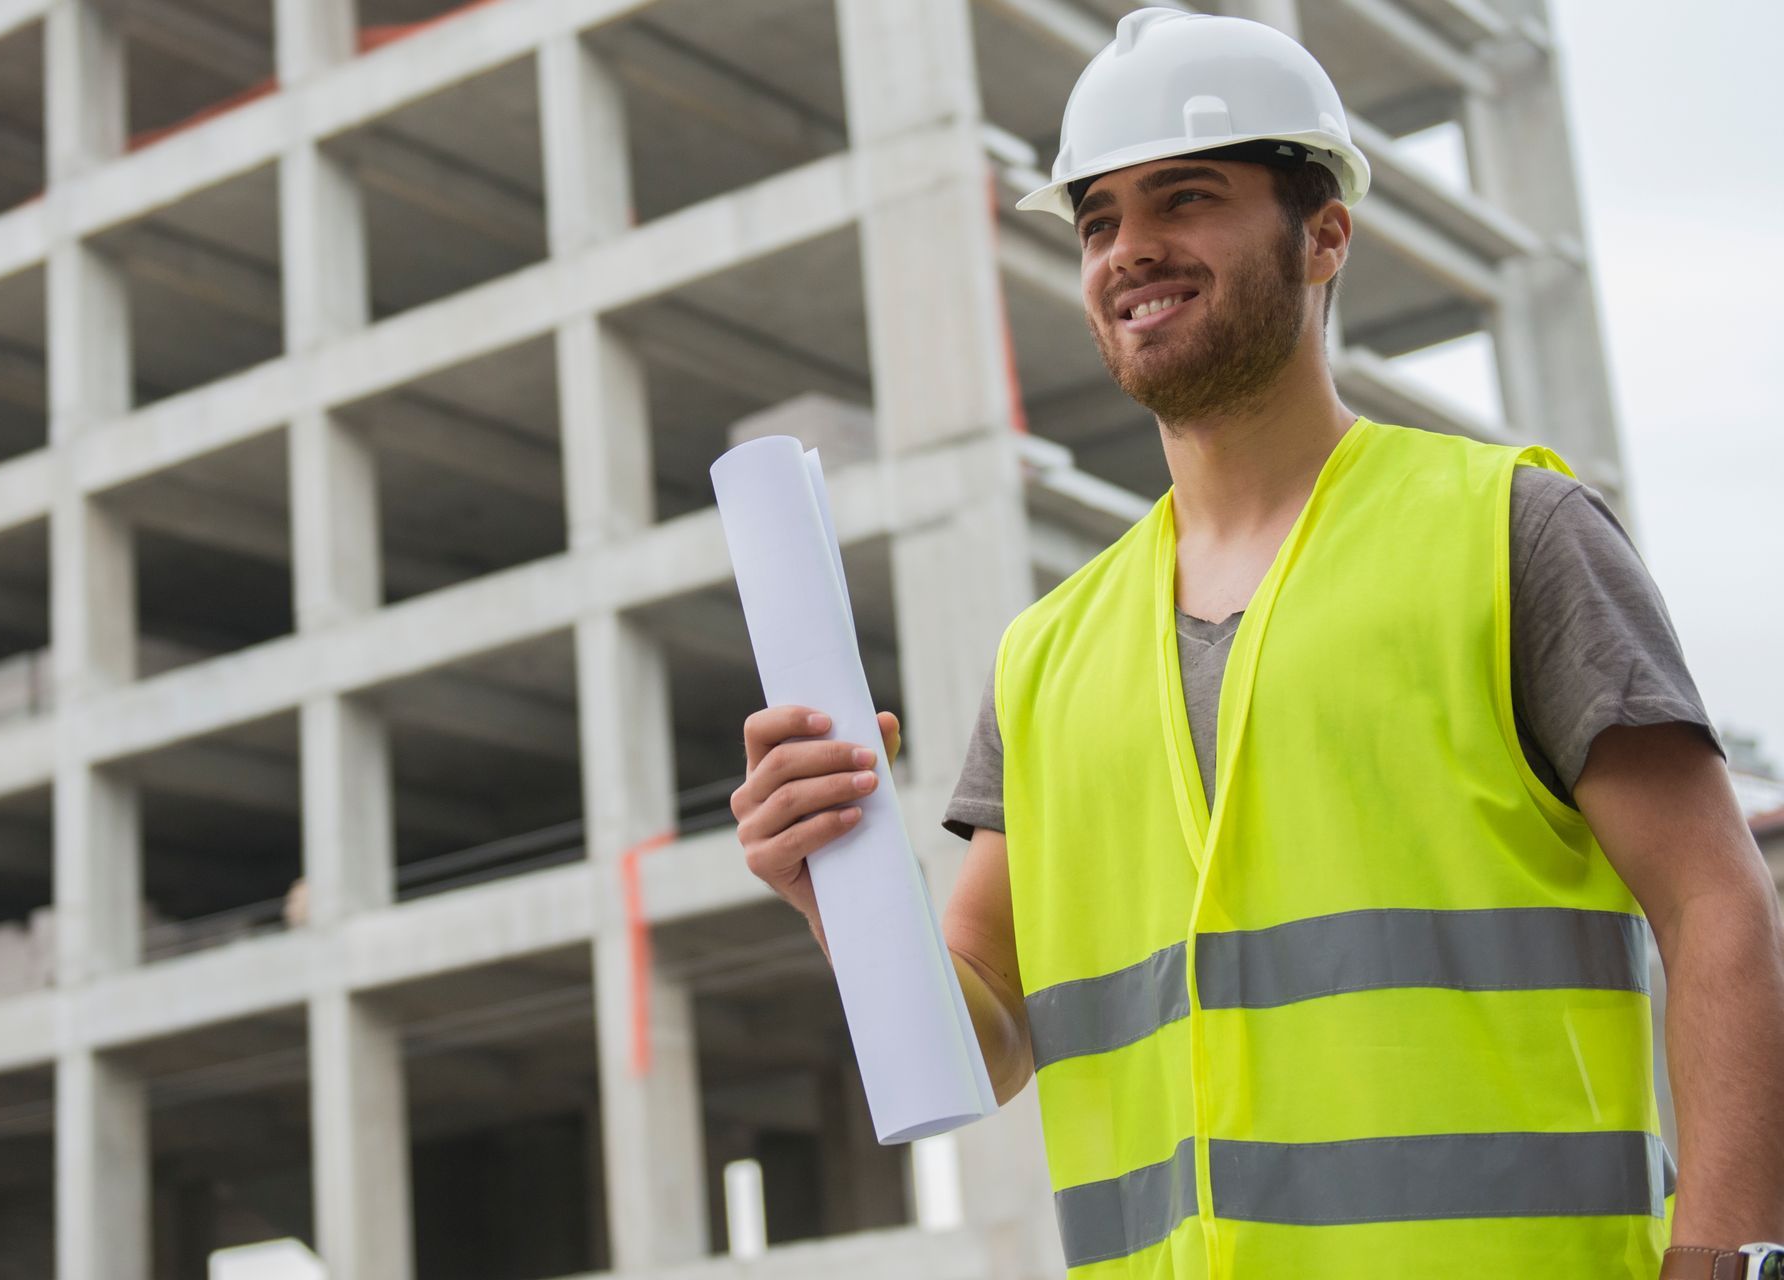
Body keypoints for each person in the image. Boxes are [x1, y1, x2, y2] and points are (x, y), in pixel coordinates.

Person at [731, 9, 1784, 1279]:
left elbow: (1718, 904)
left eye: (1185, 197)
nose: (1132, 250)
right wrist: (839, 900)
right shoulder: (1048, 655)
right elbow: (989, 1036)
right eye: (1099, 219)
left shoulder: (1511, 533)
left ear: (1323, 231)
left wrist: (1728, 1256)